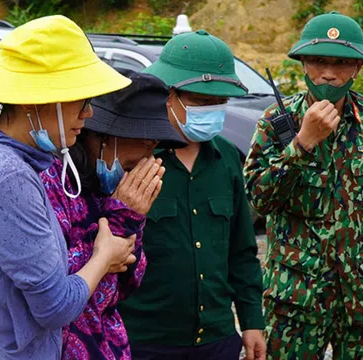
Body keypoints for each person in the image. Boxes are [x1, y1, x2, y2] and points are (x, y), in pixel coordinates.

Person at [0, 15, 135, 360]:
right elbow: (55, 307)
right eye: (81, 100)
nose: (88, 114)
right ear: (33, 102)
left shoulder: (4, 158)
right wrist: (104, 256)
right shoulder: (6, 174)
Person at [244, 11, 363, 359]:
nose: (329, 73)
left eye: (342, 63)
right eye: (318, 61)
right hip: (295, 300)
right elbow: (258, 198)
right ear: (303, 63)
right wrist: (302, 143)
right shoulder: (276, 123)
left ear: (358, 68)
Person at [118, 30, 266, 360]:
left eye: (219, 102)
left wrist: (252, 321)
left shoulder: (226, 159)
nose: (212, 110)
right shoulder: (132, 160)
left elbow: (242, 251)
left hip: (217, 339)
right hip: (146, 342)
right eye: (201, 102)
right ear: (168, 96)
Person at [40, 69, 186, 360]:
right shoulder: (51, 180)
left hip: (106, 345)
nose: (150, 151)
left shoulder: (111, 187)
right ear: (102, 136)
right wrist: (116, 229)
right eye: (144, 138)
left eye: (155, 142)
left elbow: (124, 284)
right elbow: (58, 284)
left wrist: (128, 216)